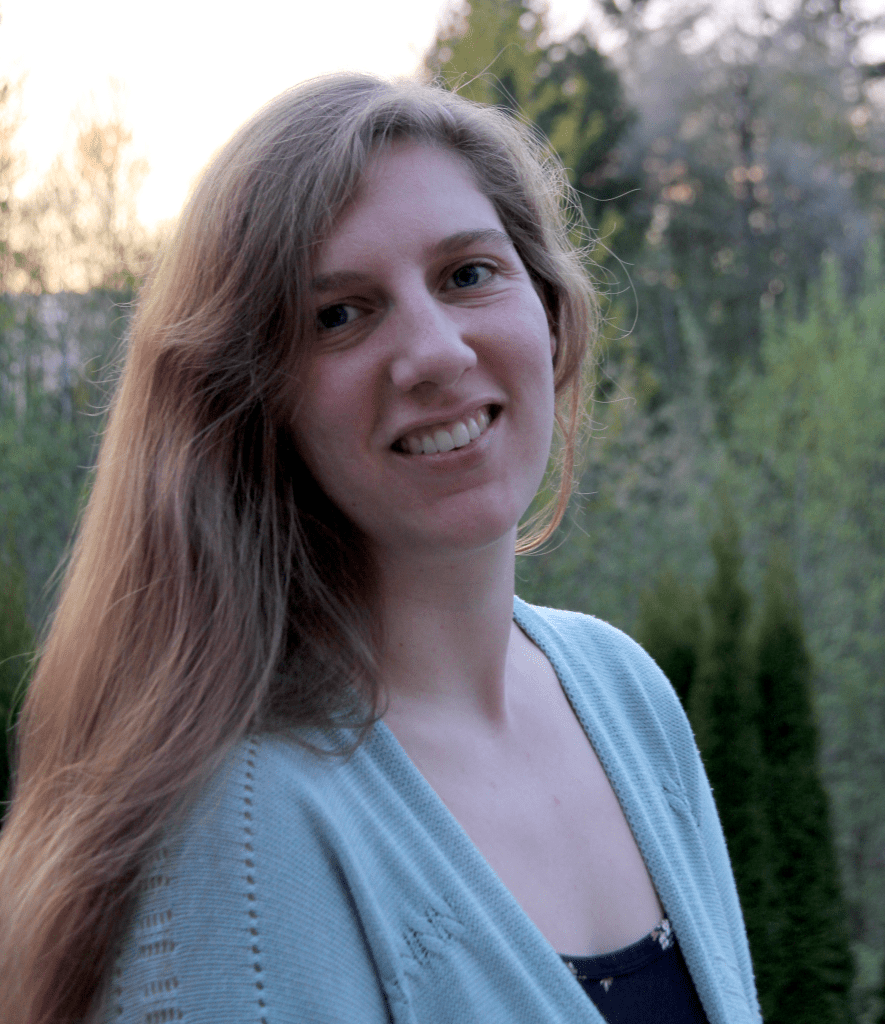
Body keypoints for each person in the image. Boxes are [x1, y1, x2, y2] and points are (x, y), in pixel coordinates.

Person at [0, 74, 760, 1024]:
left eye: (469, 274)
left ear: (553, 313)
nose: (436, 353)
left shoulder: (624, 694)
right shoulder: (241, 827)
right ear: (250, 404)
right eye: (341, 315)